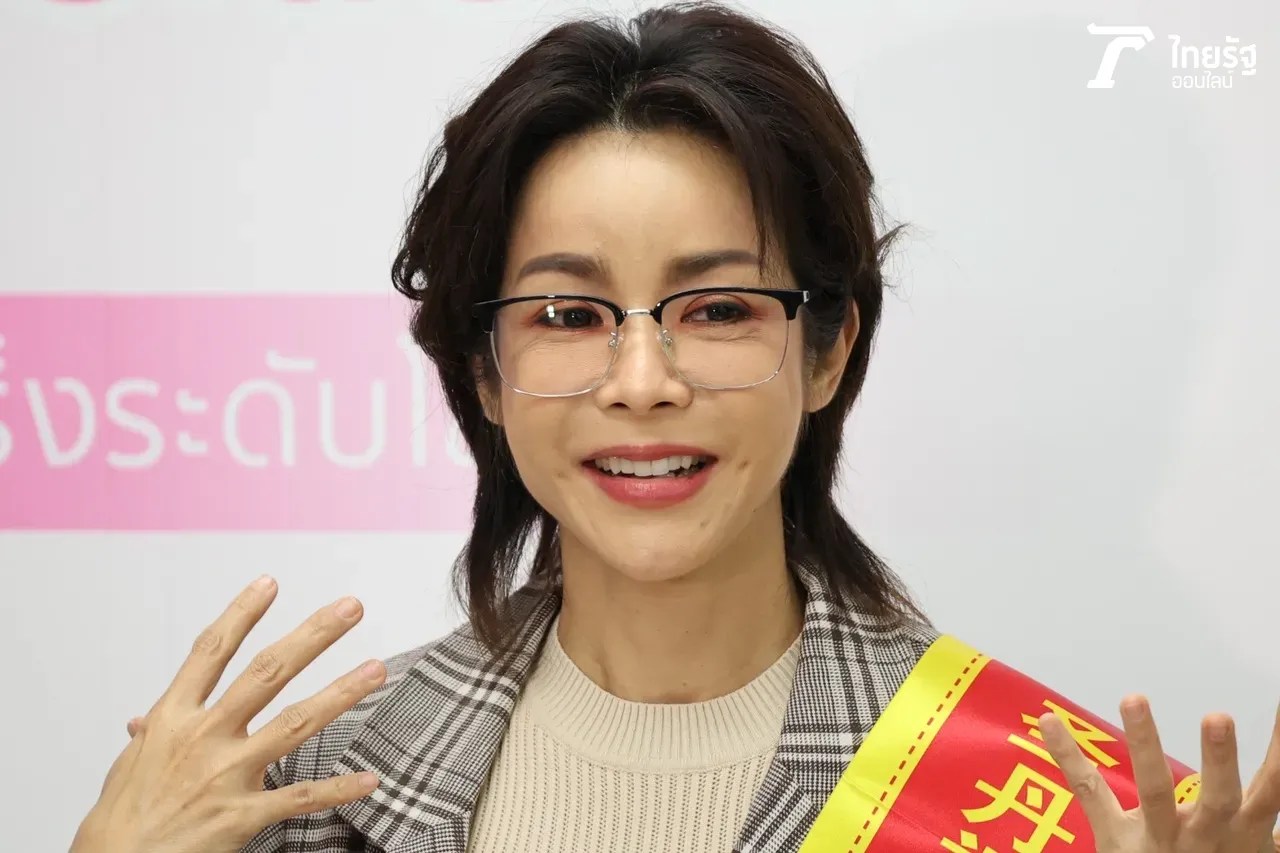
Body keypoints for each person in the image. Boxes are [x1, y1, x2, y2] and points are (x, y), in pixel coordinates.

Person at [71, 4, 1280, 852]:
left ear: (826, 349)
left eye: (716, 308)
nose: (642, 381)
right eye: (567, 313)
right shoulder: (302, 794)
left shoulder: (1047, 804)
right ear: (483, 371)